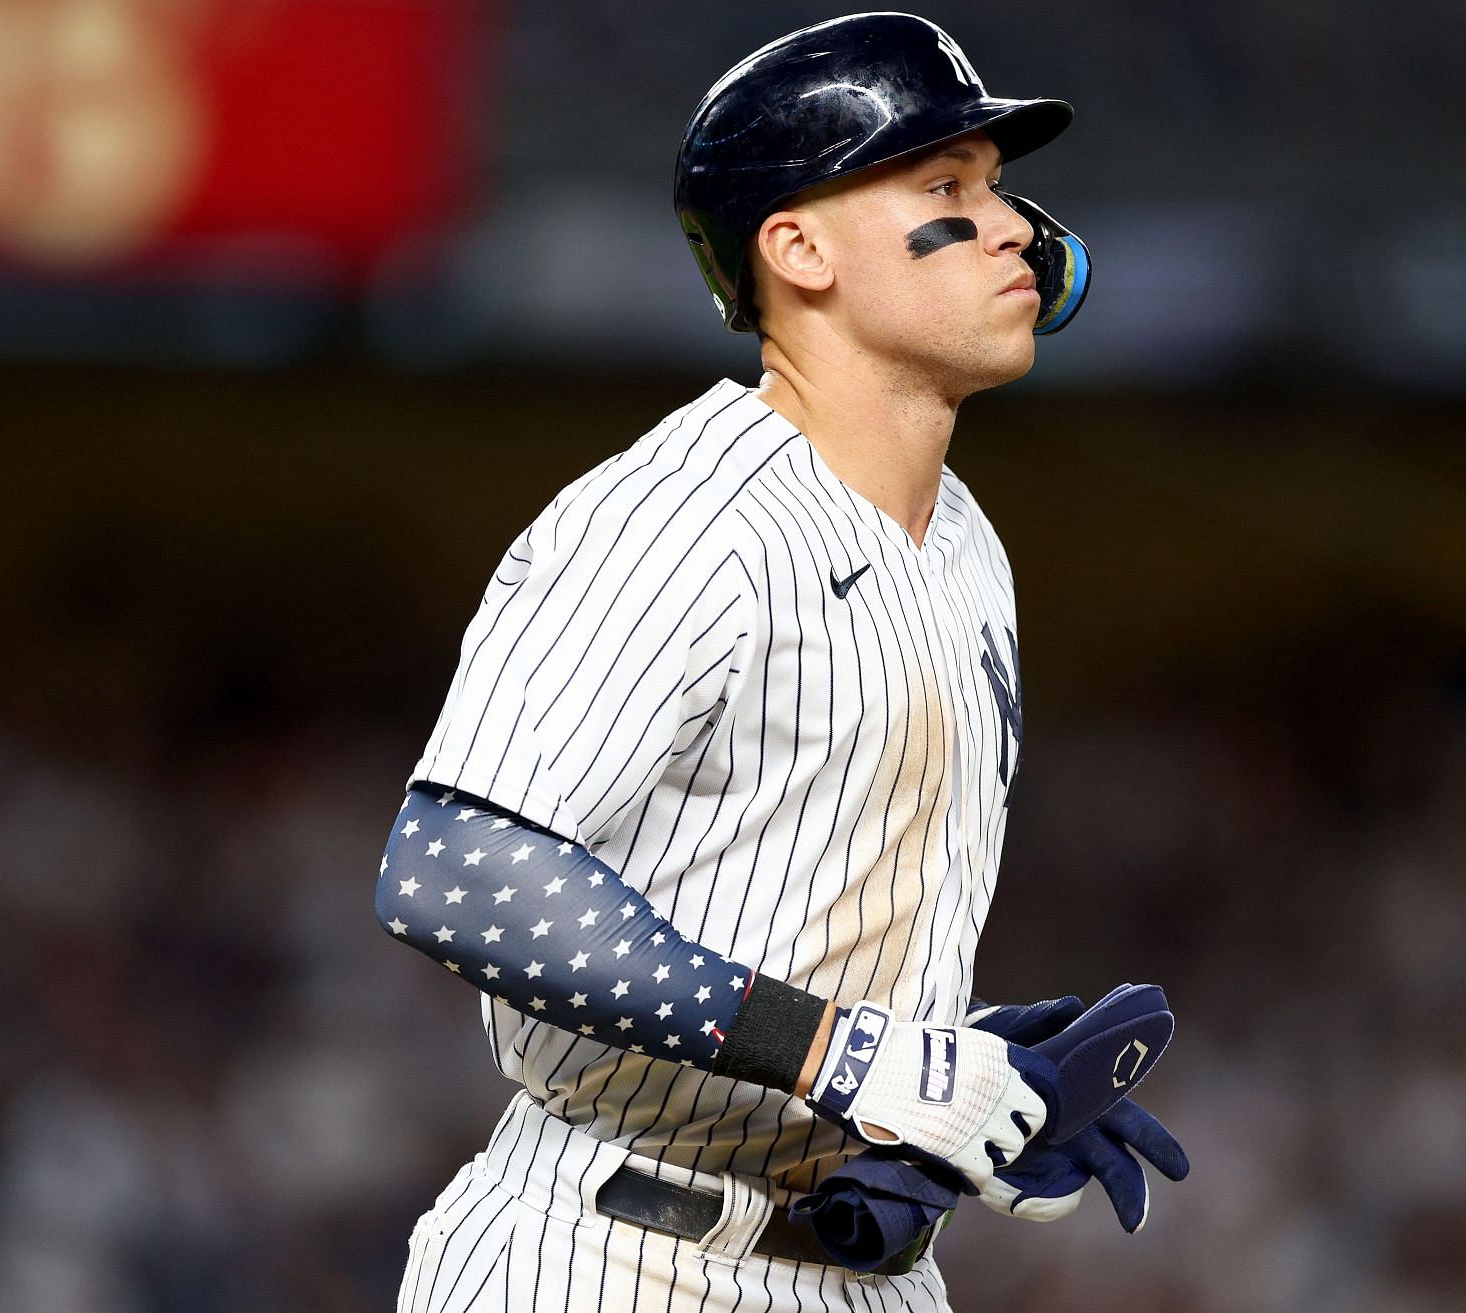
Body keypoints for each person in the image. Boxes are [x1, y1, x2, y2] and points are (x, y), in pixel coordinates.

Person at [377, 15, 1181, 1311]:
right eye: (946, 190)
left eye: (997, 187)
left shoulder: (969, 541)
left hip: (872, 1269)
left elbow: (782, 912)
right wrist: (851, 1050)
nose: (1013, 226)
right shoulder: (681, 515)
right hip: (612, 1254)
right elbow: (454, 871)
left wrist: (954, 1064)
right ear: (797, 247)